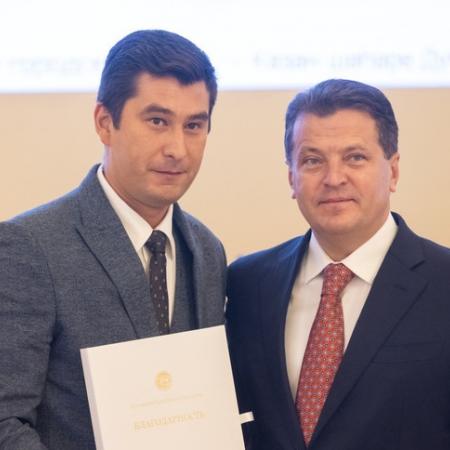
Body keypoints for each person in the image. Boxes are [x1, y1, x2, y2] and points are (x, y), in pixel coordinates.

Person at [0, 29, 226, 450]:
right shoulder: (29, 247)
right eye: (157, 121)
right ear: (105, 122)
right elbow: (4, 422)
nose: (177, 148)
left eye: (194, 125)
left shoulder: (207, 250)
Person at [226, 79, 450, 450]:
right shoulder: (246, 284)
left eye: (355, 157)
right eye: (312, 161)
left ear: (393, 171)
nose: (333, 179)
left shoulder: (444, 283)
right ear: (292, 177)